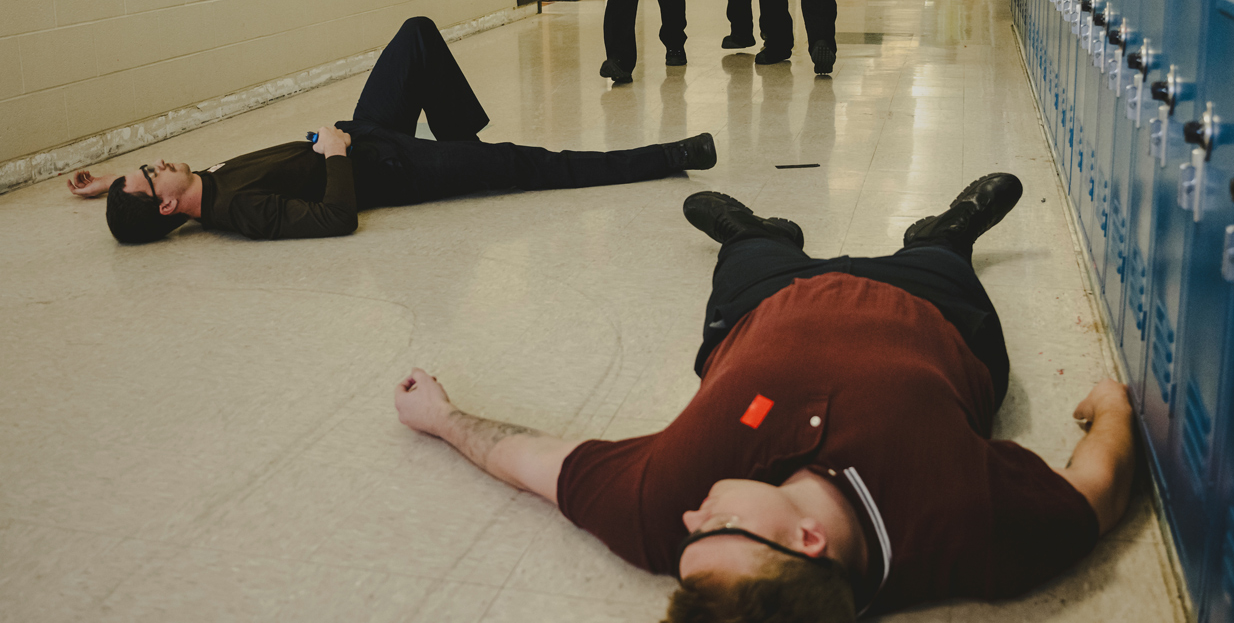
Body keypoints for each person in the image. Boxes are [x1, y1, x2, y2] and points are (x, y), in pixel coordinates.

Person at [394, 173, 1136, 620]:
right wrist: (1112, 410)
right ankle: (946, 232)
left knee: (752, 255)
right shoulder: (971, 531)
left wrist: (442, 418)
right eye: (715, 523)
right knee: (939, 257)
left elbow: (535, 464)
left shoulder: (662, 516)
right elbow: (1096, 491)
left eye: (692, 530)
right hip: (932, 313)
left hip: (762, 306)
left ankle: (751, 231)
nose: (691, 513)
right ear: (808, 542)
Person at [69, 17, 718, 243]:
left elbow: (153, 193)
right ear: (165, 202)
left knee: (417, 35)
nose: (159, 162)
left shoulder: (207, 185)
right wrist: (336, 155)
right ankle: (671, 154)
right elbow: (335, 219)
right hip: (389, 167)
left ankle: (467, 148)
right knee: (535, 165)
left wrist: (106, 185)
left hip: (368, 131)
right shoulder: (241, 212)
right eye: (152, 174)